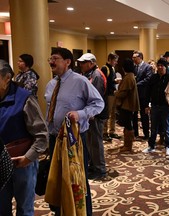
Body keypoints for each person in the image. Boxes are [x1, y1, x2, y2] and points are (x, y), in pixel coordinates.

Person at [44, 48, 104, 216]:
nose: (51, 62)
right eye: (50, 58)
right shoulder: (51, 84)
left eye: (55, 58)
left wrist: (81, 114)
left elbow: (99, 104)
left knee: (77, 180)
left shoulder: (80, 81)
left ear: (67, 61)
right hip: (54, 139)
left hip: (74, 140)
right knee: (57, 179)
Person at [0, 59, 48, 216]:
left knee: (24, 209)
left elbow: (42, 135)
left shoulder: (24, 98)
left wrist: (28, 158)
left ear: (7, 78)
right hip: (0, 164)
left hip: (21, 163)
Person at [77, 53, 108, 180]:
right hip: (89, 114)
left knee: (96, 142)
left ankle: (100, 169)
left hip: (97, 114)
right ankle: (93, 165)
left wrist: (91, 113)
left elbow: (96, 97)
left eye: (83, 63)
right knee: (90, 141)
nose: (81, 65)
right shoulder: (88, 74)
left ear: (91, 63)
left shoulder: (97, 75)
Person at [142, 58, 169, 157]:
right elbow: (147, 92)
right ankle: (151, 146)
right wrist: (146, 105)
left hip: (166, 106)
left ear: (165, 67)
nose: (160, 67)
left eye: (162, 65)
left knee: (167, 127)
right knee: (153, 128)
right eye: (158, 65)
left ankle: (168, 146)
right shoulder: (153, 78)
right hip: (155, 106)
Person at [115, 58, 140, 152]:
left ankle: (128, 146)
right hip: (128, 104)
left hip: (127, 105)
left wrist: (116, 93)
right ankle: (126, 144)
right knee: (127, 124)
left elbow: (123, 92)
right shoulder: (130, 76)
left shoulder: (129, 77)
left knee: (128, 125)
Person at [132, 50, 153, 140]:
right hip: (135, 95)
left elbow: (148, 79)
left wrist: (136, 84)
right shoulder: (134, 67)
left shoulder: (147, 67)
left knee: (144, 115)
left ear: (140, 57)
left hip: (144, 95)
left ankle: (146, 134)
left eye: (135, 57)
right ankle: (135, 133)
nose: (133, 59)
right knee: (134, 115)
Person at [101, 53, 121, 141]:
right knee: (107, 114)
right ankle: (104, 132)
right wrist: (114, 81)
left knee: (113, 113)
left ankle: (112, 131)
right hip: (108, 94)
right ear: (110, 59)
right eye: (115, 61)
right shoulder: (105, 68)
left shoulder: (112, 68)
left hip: (113, 93)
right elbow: (104, 82)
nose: (116, 63)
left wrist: (115, 81)